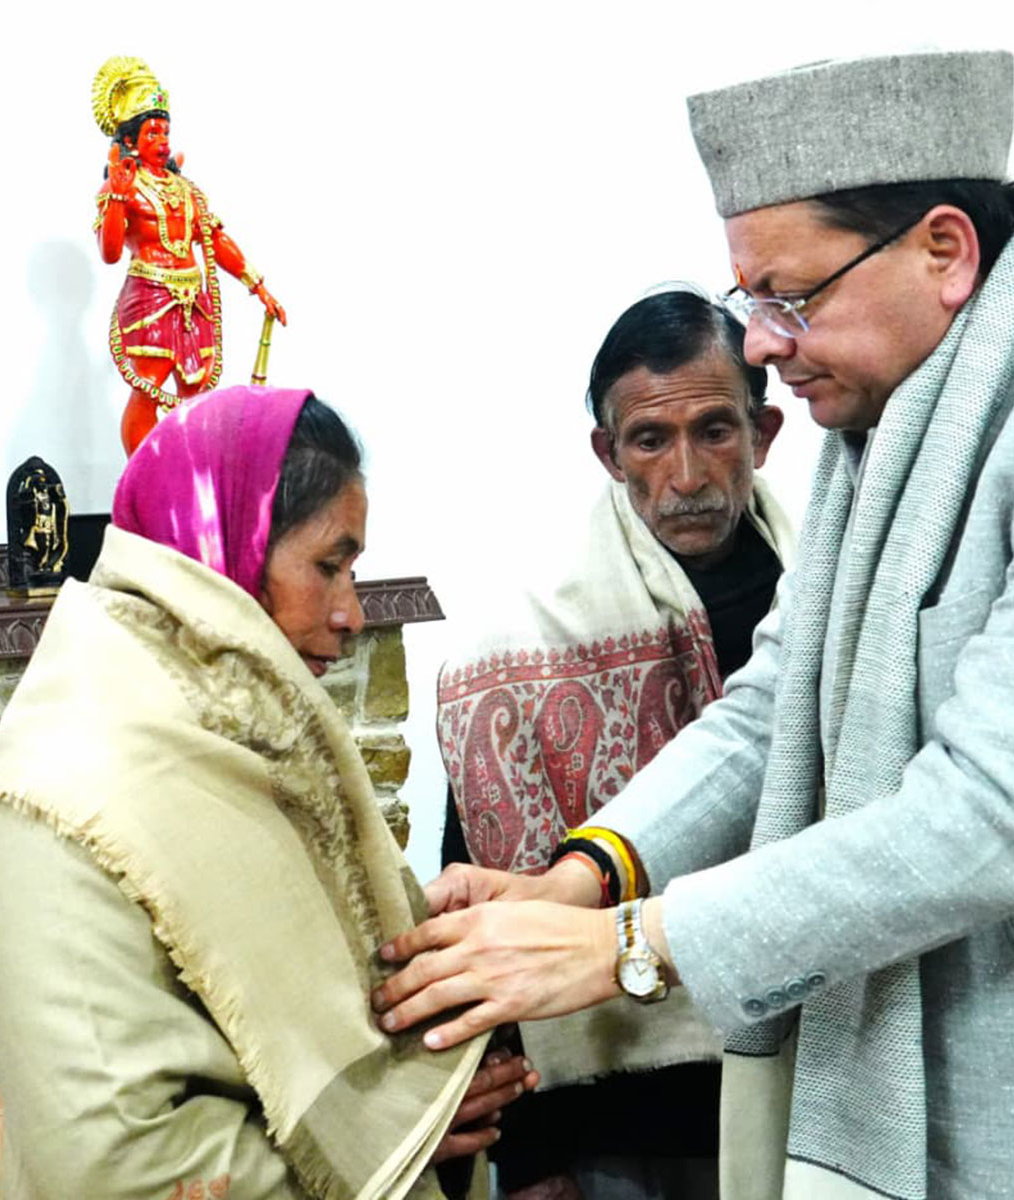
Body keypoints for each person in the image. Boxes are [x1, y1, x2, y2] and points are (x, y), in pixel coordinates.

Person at [373, 51, 1014, 1199]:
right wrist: (578, 880)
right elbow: (775, 705)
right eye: (750, 303)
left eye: (790, 296)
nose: (763, 343)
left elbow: (991, 813)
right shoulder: (880, 435)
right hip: (987, 1107)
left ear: (943, 252)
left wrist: (632, 948)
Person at [0, 387, 536, 1200]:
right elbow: (109, 1163)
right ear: (222, 544)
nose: (351, 612)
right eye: (328, 565)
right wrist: (390, 1150)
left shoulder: (255, 737)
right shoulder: (55, 795)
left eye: (355, 569)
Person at [435, 287, 793, 1199]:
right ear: (608, 453)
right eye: (650, 440)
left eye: (715, 430)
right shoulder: (516, 658)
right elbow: (486, 907)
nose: (686, 474)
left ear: (766, 432)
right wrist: (532, 1155)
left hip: (814, 1079)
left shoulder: (829, 606)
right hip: (617, 1117)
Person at [91, 57, 286, 456]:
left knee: (197, 392)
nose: (162, 141)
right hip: (150, 296)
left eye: (165, 131)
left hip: (192, 301)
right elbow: (110, 254)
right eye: (151, 133)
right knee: (149, 386)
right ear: (129, 140)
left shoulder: (186, 191)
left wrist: (258, 287)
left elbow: (214, 239)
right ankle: (141, 479)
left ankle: (191, 475)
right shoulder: (123, 188)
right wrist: (118, 196)